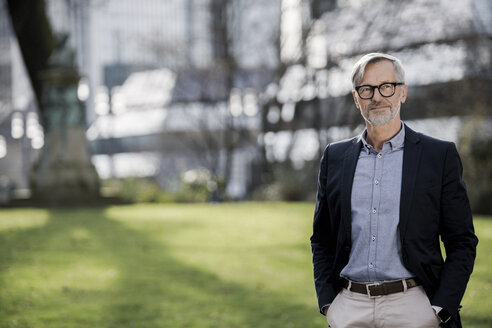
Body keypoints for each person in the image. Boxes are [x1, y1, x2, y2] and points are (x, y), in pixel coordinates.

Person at [310, 53, 478, 328]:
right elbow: (322, 238)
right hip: (350, 308)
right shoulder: (335, 157)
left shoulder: (439, 155)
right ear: (356, 99)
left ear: (402, 92)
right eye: (367, 89)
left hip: (415, 307)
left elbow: (462, 241)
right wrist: (329, 303)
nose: (377, 96)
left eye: (386, 86)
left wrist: (440, 307)